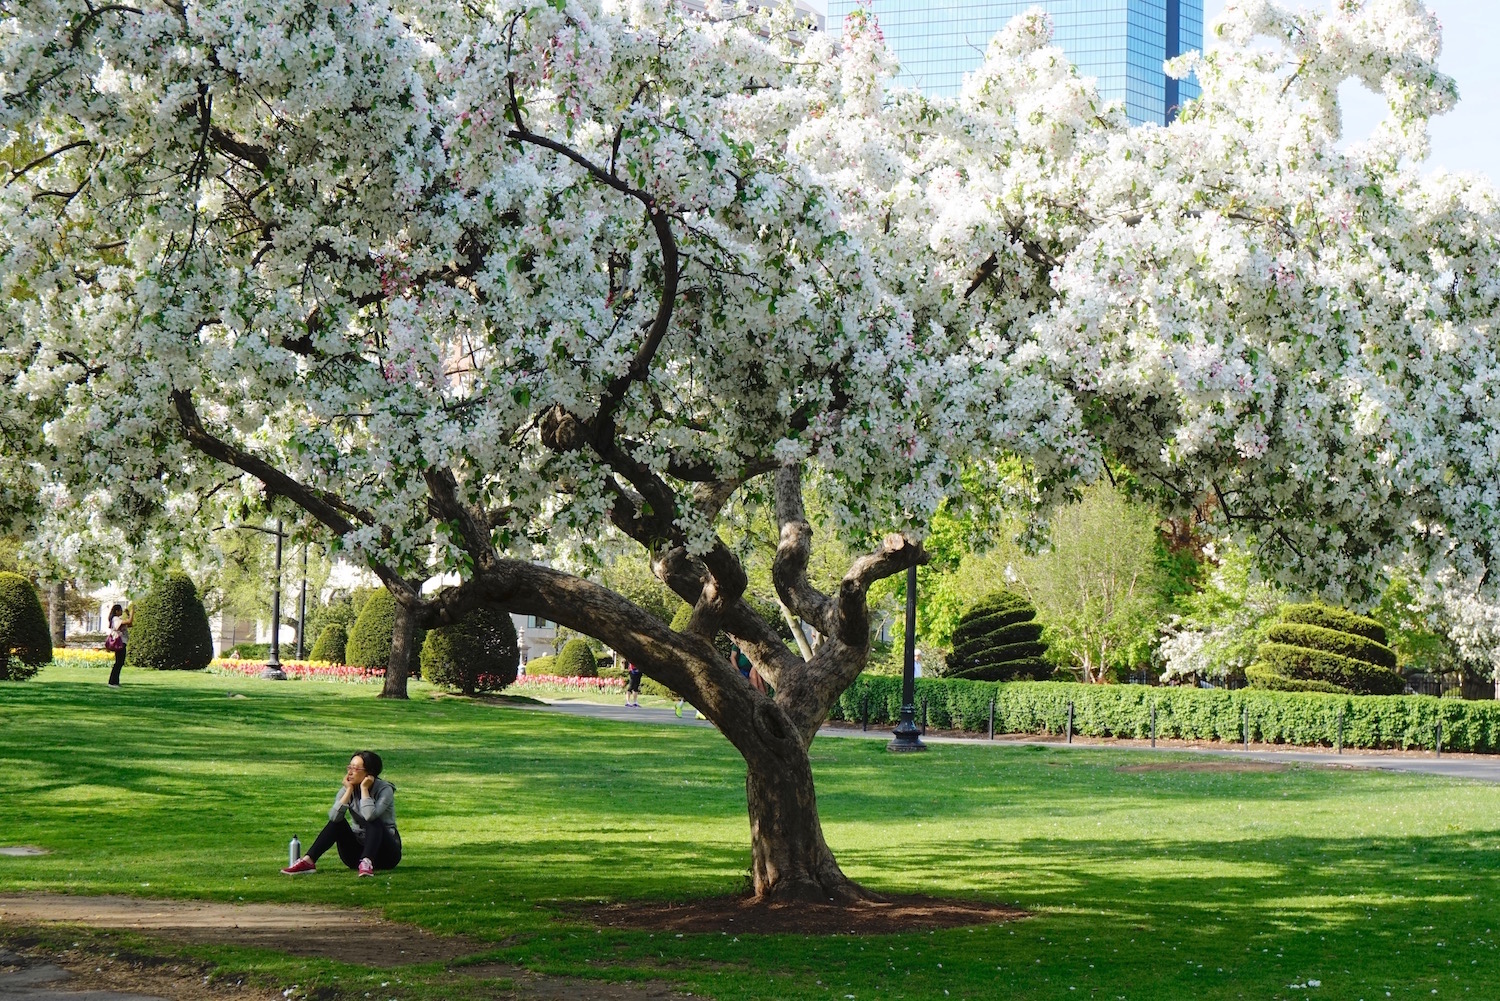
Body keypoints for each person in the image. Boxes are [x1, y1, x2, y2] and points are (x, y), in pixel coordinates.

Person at [282, 751, 401, 877]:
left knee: (373, 820)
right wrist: (349, 790)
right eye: (349, 767)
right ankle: (308, 861)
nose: (350, 772)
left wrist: (364, 789)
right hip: (356, 854)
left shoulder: (384, 789)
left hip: (386, 854)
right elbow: (333, 817)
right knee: (338, 822)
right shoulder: (348, 788)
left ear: (369, 773)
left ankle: (367, 862)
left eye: (355, 769)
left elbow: (369, 815)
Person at [105, 603, 133, 688]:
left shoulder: (118, 619)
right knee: (118, 662)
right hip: (119, 642)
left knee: (119, 662)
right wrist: (132, 613)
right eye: (120, 610)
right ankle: (113, 682)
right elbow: (128, 621)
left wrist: (129, 614)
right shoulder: (115, 619)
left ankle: (115, 681)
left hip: (122, 642)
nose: (121, 611)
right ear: (116, 611)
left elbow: (130, 624)